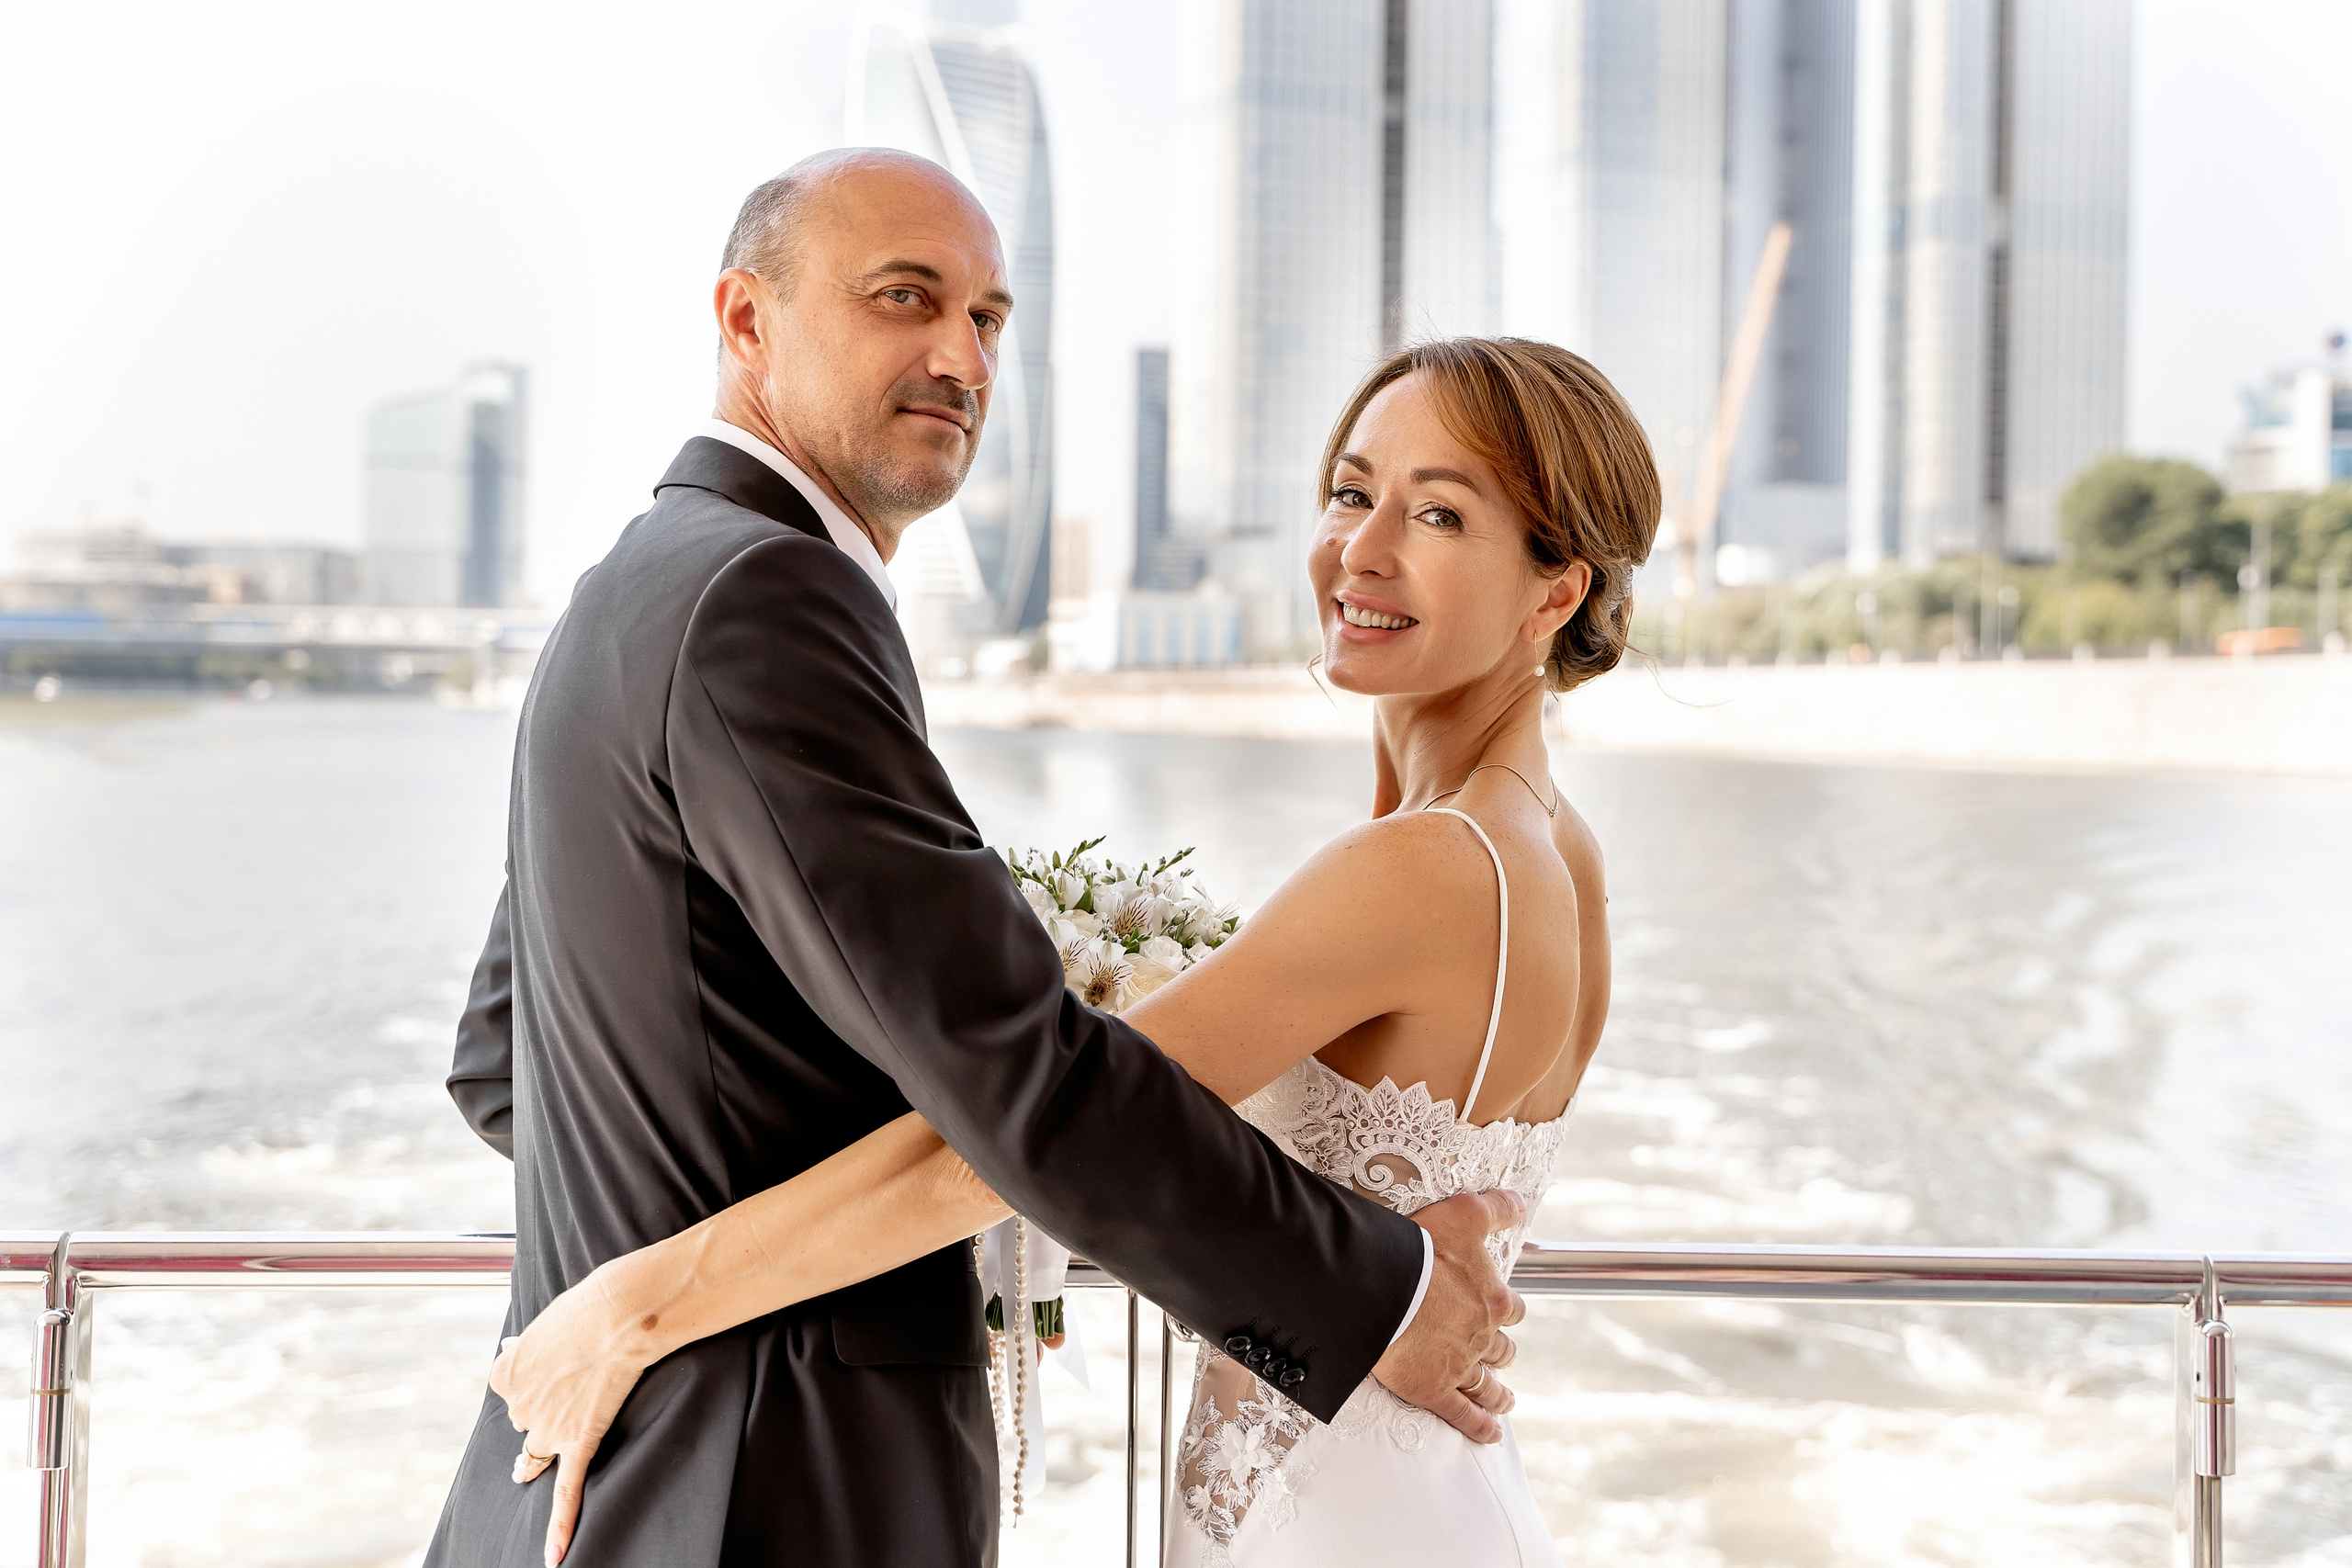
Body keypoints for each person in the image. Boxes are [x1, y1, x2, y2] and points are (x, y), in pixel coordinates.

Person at [425, 148, 1525, 1568]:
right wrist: (1381, 1296)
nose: (960, 353)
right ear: (746, 321)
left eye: (990, 317)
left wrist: (699, 1256)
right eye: (904, 297)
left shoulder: (636, 586)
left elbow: (502, 1060)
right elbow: (1023, 1072)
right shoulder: (770, 598)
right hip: (766, 1493)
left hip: (594, 1477)